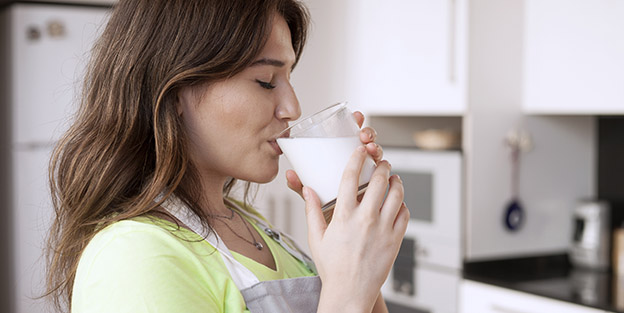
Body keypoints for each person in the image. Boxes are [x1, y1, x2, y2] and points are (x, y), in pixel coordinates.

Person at [45, 0, 409, 312]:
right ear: (175, 93)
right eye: (266, 80)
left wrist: (354, 247)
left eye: (289, 78)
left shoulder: (252, 227)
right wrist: (345, 294)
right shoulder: (131, 257)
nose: (292, 107)